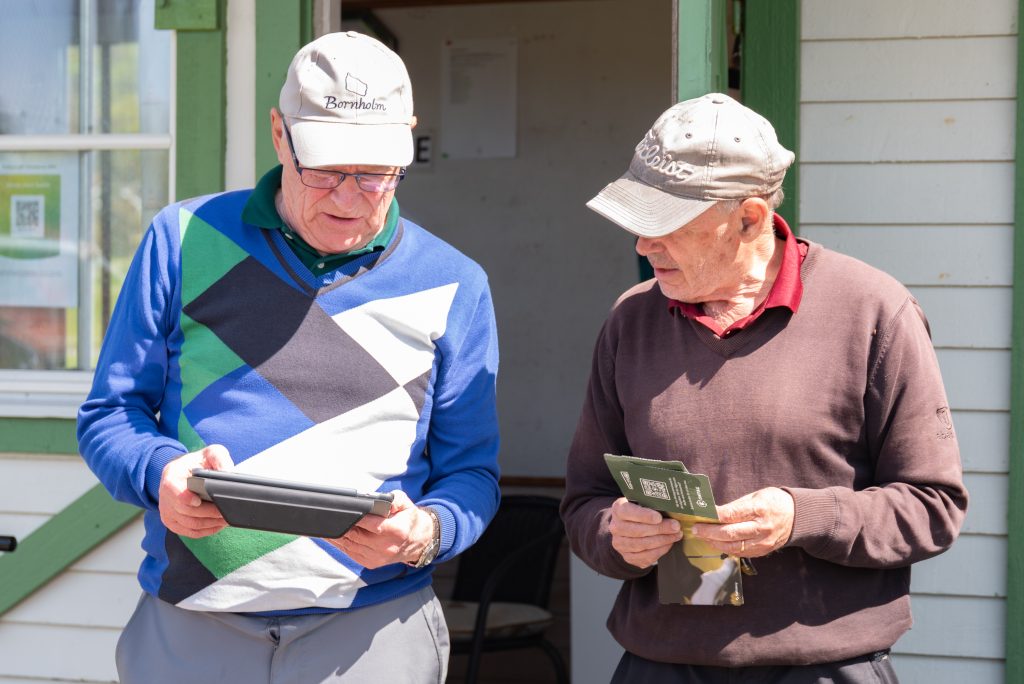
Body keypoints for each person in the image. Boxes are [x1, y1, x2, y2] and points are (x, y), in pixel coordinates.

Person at [77, 31, 499, 684]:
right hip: (192, 627)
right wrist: (160, 473)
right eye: (325, 170)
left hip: (374, 631)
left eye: (375, 173)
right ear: (280, 135)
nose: (349, 198)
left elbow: (472, 475)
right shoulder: (182, 239)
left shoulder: (455, 283)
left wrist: (428, 533)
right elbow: (110, 412)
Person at [561, 93, 967, 682]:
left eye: (664, 225)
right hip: (661, 664)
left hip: (824, 667)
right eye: (638, 224)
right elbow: (584, 502)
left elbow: (933, 509)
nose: (642, 246)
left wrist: (801, 516)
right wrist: (616, 534)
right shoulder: (631, 319)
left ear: (750, 218)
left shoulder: (873, 310)